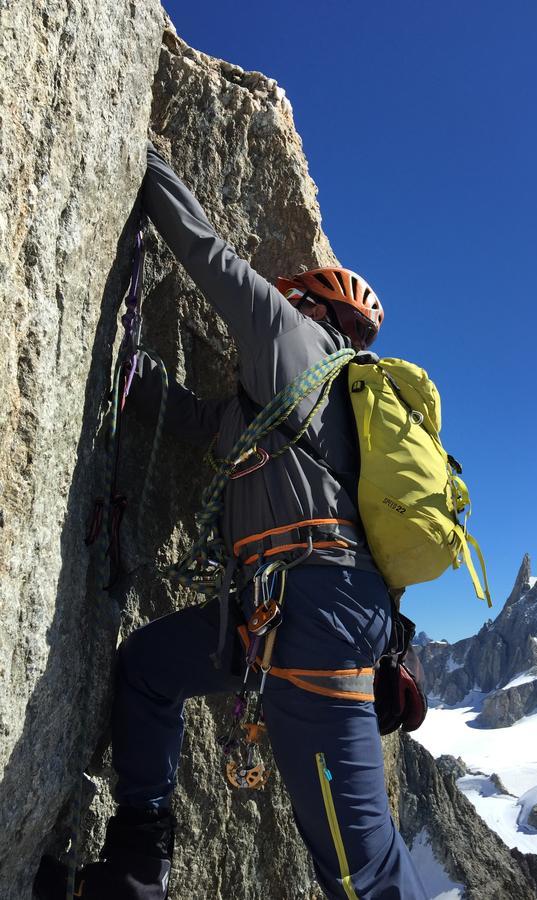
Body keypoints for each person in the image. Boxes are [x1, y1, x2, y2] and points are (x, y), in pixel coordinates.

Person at [35, 143, 427, 900]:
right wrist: (131, 365)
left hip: (309, 615)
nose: (283, 299)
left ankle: (139, 864)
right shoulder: (302, 404)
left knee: (363, 873)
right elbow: (201, 420)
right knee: (148, 670)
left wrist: (135, 156)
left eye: (294, 295)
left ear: (313, 305)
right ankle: (134, 868)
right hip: (289, 608)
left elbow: (208, 255)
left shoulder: (291, 339)